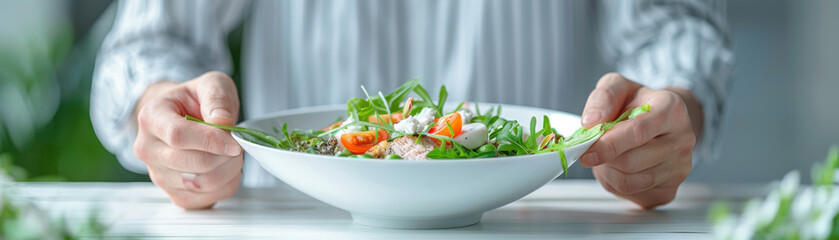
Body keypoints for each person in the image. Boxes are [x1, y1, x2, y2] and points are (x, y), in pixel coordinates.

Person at [92, 0, 733, 210]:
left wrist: (667, 112)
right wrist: (163, 108)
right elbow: (151, 42)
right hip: (298, 223)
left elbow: (673, 30)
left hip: (533, 221)